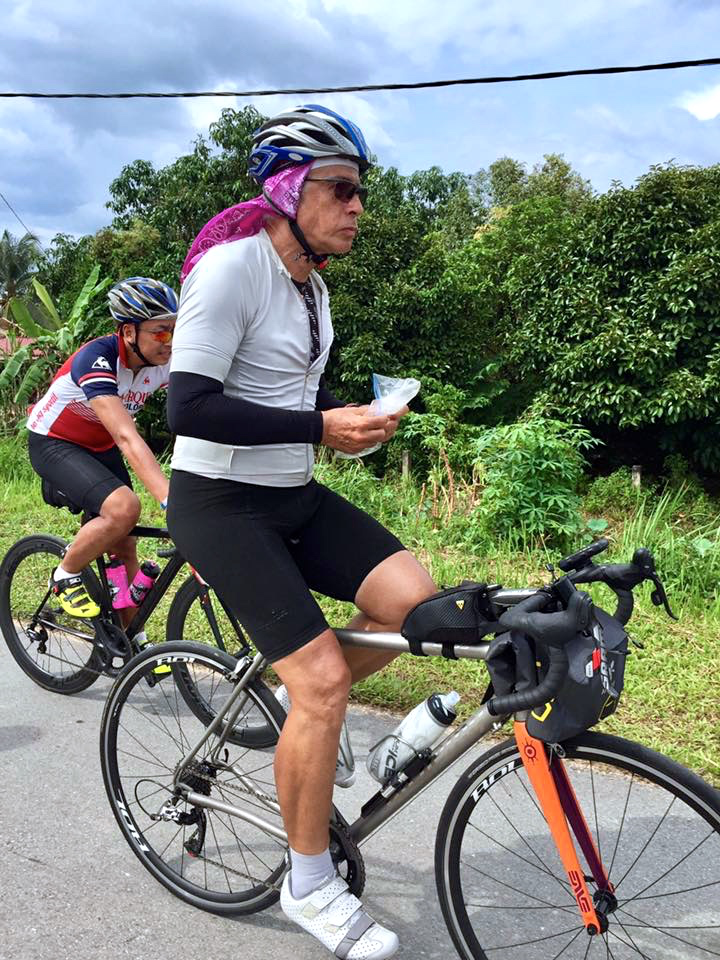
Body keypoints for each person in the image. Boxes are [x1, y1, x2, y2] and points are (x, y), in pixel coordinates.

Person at [166, 105, 436, 960]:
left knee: (415, 603)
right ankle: (309, 882)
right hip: (219, 502)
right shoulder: (231, 271)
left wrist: (345, 418)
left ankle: (295, 702)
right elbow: (189, 407)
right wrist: (321, 427)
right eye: (341, 189)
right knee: (324, 684)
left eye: (362, 193)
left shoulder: (313, 287)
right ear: (288, 189)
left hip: (291, 493)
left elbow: (287, 396)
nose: (358, 207)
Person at [26, 277, 177, 621]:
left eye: (175, 330)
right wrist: (169, 499)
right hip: (55, 442)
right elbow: (126, 436)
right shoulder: (97, 359)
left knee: (124, 545)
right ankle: (65, 574)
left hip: (99, 446)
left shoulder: (165, 362)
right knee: (124, 509)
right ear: (129, 332)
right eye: (160, 332)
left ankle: (131, 638)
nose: (170, 341)